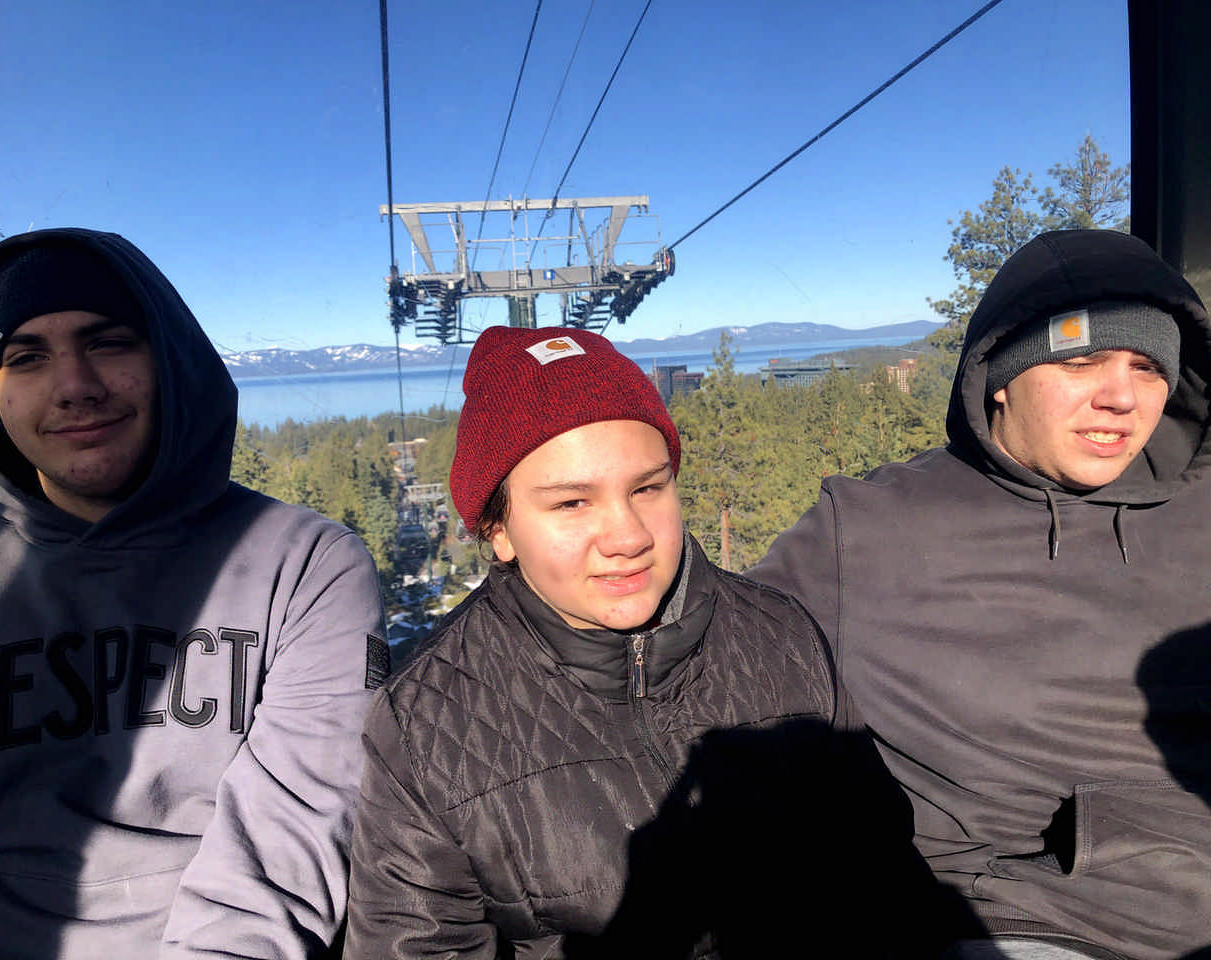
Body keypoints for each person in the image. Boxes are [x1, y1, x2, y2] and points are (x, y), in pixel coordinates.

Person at [344, 326, 949, 960]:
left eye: (648, 488)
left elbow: (882, 876)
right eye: (572, 503)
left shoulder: (780, 636)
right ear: (499, 529)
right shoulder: (427, 723)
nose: (628, 536)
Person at [750, 228, 1211, 960]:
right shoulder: (872, 530)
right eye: (1082, 361)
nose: (1121, 397)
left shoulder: (1199, 515)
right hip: (1024, 918)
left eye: (1148, 367)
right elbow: (711, 661)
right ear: (1001, 375)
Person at [0, 228, 389, 958]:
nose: (75, 385)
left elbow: (287, 843)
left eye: (109, 342)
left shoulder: (303, 565)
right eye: (27, 357)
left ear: (168, 358)